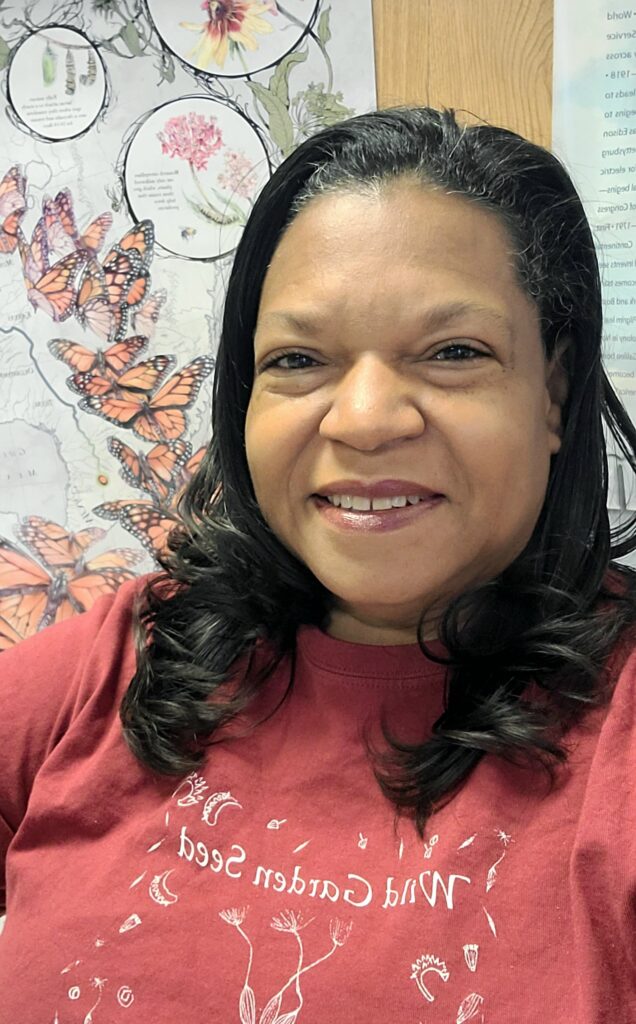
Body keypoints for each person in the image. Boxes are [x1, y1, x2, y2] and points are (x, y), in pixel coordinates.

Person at [1, 106, 636, 1024]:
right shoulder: (122, 658)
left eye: (454, 352)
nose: (366, 418)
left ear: (554, 391)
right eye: (299, 360)